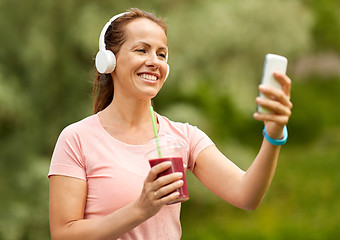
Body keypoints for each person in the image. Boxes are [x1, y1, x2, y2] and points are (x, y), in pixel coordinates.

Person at [48, 8, 293, 240]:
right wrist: (140, 209)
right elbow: (63, 234)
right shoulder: (77, 139)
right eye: (141, 50)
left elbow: (246, 195)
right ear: (109, 61)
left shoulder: (183, 137)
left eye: (161, 54)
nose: (154, 61)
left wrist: (273, 134)